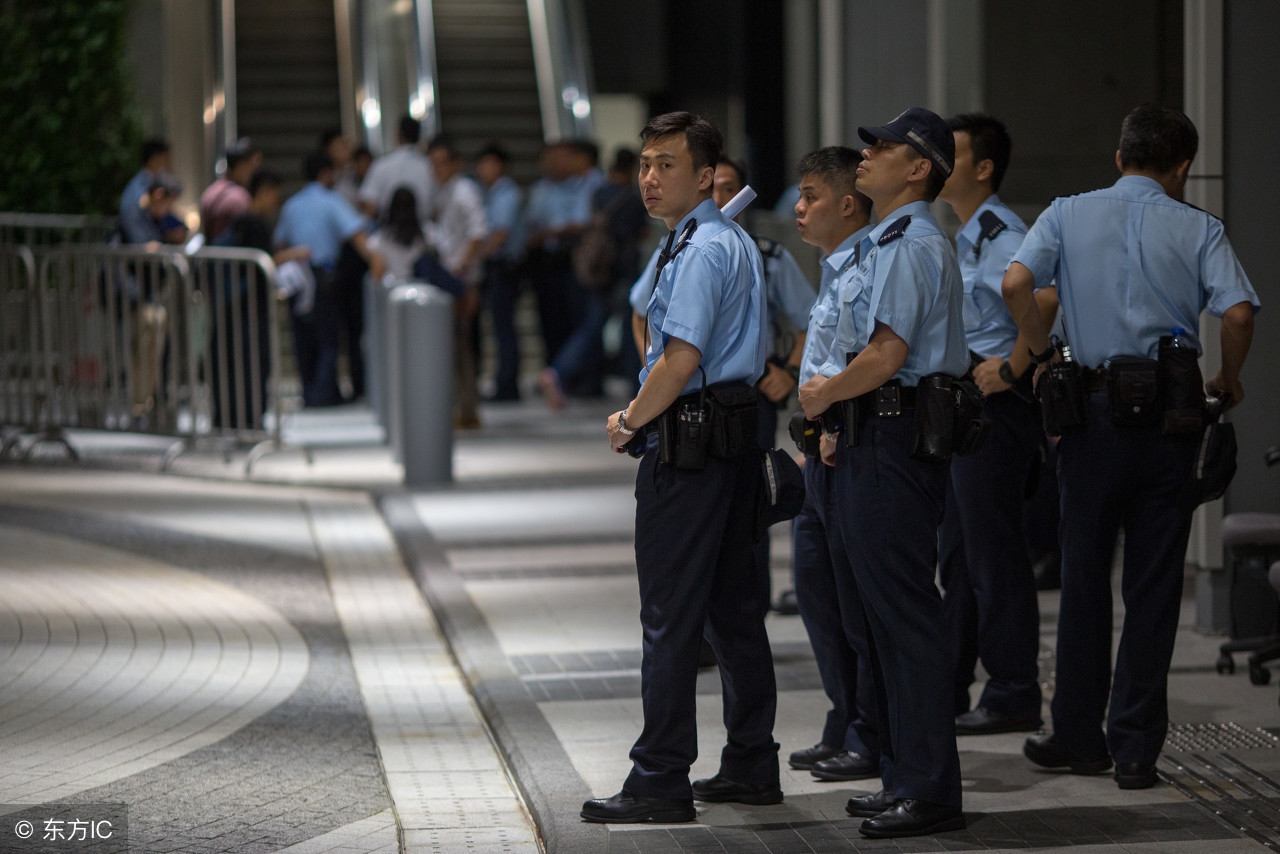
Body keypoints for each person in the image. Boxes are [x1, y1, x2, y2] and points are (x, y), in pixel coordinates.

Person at [1004, 103, 1259, 791]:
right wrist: (1227, 380)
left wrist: (1035, 350)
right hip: (1171, 423)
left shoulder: (1066, 211)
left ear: (1120, 157)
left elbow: (1016, 282)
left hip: (1088, 416)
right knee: (1153, 587)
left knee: (1084, 578)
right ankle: (1138, 749)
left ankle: (1078, 737)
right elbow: (1237, 312)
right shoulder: (1200, 227)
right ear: (1182, 168)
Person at [582, 111, 777, 824]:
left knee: (669, 618)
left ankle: (660, 778)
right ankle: (752, 762)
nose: (651, 177)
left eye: (668, 164)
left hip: (691, 446)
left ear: (705, 176)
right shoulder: (727, 240)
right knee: (733, 613)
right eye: (644, 164)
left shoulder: (699, 248)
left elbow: (681, 357)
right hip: (731, 437)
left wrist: (632, 419)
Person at [797, 107, 967, 838]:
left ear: (920, 167)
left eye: (885, 147)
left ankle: (928, 788)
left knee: (905, 621)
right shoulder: (889, 241)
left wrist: (823, 395)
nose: (867, 154)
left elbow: (888, 355)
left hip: (896, 437)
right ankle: (903, 774)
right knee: (880, 620)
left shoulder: (910, 243)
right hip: (876, 433)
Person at [936, 113, 1055, 735]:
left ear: (983, 168)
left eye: (950, 154)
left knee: (995, 554)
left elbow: (1044, 296)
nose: (937, 162)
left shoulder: (1000, 228)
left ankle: (1013, 690)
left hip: (996, 406)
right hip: (967, 402)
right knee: (959, 555)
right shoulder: (965, 232)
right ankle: (954, 683)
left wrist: (1012, 367)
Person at [786, 146, 881, 784]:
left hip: (850, 449)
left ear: (847, 204)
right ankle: (846, 719)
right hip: (820, 451)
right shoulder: (833, 268)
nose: (798, 208)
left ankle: (871, 733)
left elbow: (873, 358)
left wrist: (831, 419)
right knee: (818, 594)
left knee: (859, 606)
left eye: (811, 197)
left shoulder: (870, 266)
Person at [711, 156, 814, 616]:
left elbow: (812, 320)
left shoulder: (767, 256)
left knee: (752, 504)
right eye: (711, 187)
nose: (719, 198)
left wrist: (788, 372)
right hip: (693, 398)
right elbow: (641, 314)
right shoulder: (676, 250)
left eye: (729, 187)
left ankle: (748, 611)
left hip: (751, 396)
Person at [209, 169, 309, 430]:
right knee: (253, 363)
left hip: (231, 305)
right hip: (249, 307)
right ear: (263, 191)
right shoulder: (254, 223)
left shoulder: (240, 222)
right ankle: (250, 419)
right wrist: (291, 255)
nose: (276, 200)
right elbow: (262, 262)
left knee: (232, 363)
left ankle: (228, 417)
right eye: (274, 194)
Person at [274, 151, 373, 408]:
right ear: (325, 174)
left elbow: (280, 241)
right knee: (327, 336)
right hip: (322, 274)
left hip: (295, 276)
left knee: (302, 335)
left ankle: (309, 390)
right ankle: (324, 391)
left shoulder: (291, 205)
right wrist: (378, 264)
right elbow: (357, 235)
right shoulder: (332, 201)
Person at [426, 135, 488, 429]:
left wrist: (462, 270)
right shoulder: (444, 192)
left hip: (460, 279)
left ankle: (468, 409)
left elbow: (478, 233)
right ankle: (460, 408)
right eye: (433, 163)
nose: (436, 169)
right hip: (450, 276)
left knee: (462, 346)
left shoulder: (464, 191)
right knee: (454, 346)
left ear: (455, 163)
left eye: (441, 163)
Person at [476, 143, 524, 401]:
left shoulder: (506, 194)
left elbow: (500, 234)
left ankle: (507, 383)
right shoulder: (491, 193)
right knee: (499, 326)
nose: (484, 170)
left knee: (504, 326)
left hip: (504, 266)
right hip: (499, 266)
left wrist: (477, 255)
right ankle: (504, 381)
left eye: (489, 164)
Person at [359, 115, 435, 223]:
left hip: (390, 233)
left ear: (398, 135)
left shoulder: (381, 165)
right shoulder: (430, 166)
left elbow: (369, 204)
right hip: (424, 232)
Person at [200, 138, 260, 242]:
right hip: (231, 256)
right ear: (242, 165)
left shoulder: (210, 191)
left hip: (211, 254)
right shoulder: (239, 198)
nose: (255, 171)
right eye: (253, 165)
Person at [119, 138, 171, 244]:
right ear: (154, 159)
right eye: (166, 159)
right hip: (139, 254)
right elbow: (130, 213)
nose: (169, 164)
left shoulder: (150, 182)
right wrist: (142, 243)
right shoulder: (140, 186)